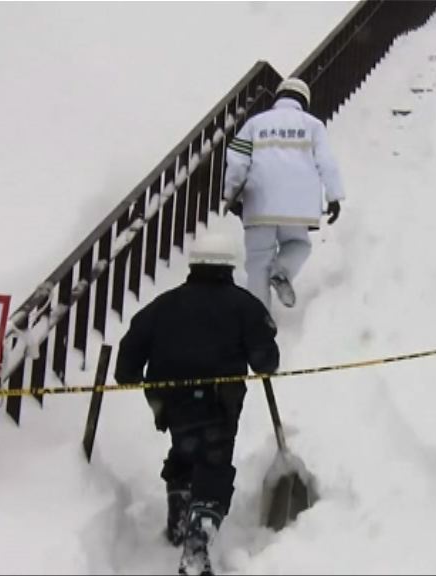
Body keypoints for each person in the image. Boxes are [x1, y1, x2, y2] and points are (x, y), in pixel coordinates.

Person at [114, 230, 280, 576]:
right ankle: (196, 543)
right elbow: (266, 359)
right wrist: (263, 359)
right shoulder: (244, 305)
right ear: (229, 266)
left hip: (170, 401)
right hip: (219, 402)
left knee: (186, 448)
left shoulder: (163, 305)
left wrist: (130, 375)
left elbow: (129, 352)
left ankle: (179, 512)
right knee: (214, 463)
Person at [222, 77, 345, 310]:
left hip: (258, 203)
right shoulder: (314, 125)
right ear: (304, 101)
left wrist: (232, 195)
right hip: (298, 206)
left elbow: (237, 161)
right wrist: (334, 196)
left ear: (278, 97)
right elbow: (326, 162)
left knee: (258, 262)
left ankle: (259, 320)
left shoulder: (254, 124)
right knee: (299, 244)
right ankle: (282, 271)